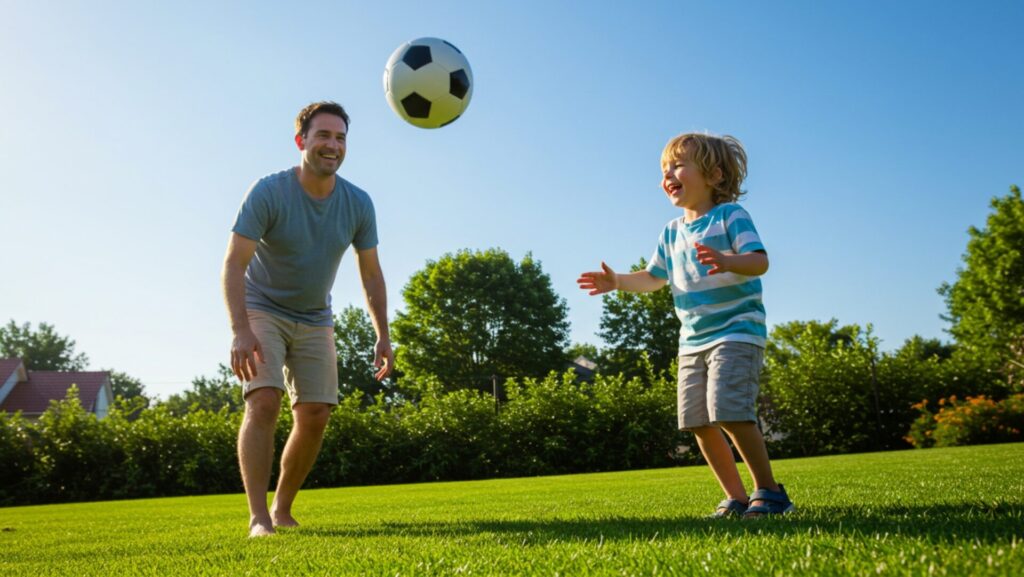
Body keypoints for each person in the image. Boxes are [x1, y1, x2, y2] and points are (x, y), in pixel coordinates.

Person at [577, 133, 794, 518]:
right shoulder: (671, 232)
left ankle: (770, 490)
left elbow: (759, 262)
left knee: (728, 410)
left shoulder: (730, 217)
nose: (668, 175)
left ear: (713, 174)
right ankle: (736, 497)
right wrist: (618, 282)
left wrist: (728, 262)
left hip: (736, 330)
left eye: (678, 165)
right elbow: (653, 277)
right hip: (692, 341)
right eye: (664, 169)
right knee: (697, 421)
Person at [222, 101, 394, 537]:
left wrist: (382, 335)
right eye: (323, 136)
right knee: (264, 401)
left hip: (316, 315)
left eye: (340, 138)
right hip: (262, 306)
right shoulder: (269, 192)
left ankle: (282, 507)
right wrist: (240, 329)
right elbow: (233, 265)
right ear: (302, 141)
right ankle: (258, 518)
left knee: (316, 413)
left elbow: (371, 273)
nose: (332, 145)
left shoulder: (358, 203)